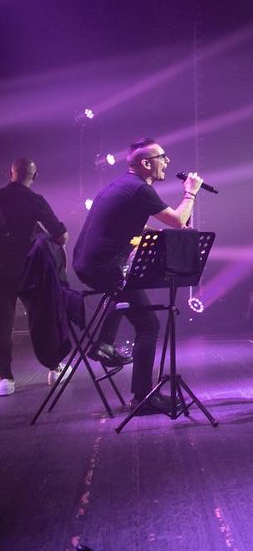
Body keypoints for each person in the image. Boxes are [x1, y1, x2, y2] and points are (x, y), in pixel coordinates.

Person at [72, 139, 203, 413]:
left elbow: (131, 223)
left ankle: (104, 343)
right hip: (103, 267)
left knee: (125, 291)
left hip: (89, 263)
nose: (167, 162)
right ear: (146, 163)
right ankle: (143, 397)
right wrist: (190, 194)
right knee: (149, 326)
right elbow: (179, 221)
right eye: (162, 157)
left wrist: (156, 234)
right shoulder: (140, 189)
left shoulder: (123, 186)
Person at [0, 157, 69, 395]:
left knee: (2, 323)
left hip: (1, 268)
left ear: (10, 174)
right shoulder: (36, 200)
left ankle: (5, 379)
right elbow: (61, 236)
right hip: (29, 268)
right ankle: (54, 367)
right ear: (35, 176)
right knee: (42, 318)